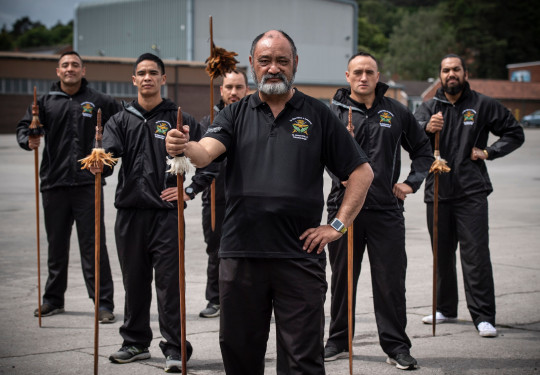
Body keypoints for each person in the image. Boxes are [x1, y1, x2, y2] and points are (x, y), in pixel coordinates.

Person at [166, 30, 374, 375]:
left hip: (299, 257)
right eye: (265, 61)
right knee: (240, 355)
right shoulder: (234, 115)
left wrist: (337, 226)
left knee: (302, 359)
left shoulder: (318, 115)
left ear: (295, 63)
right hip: (240, 255)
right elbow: (204, 154)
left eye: (282, 60)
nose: (273, 68)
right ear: (252, 65)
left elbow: (362, 173)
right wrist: (183, 146)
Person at [323, 52, 433, 370]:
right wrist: (340, 175)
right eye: (357, 72)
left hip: (386, 210)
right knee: (343, 279)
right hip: (344, 210)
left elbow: (423, 150)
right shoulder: (333, 113)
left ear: (377, 75)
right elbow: (319, 153)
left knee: (390, 282)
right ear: (347, 76)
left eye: (369, 72)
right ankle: (339, 341)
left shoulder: (396, 112)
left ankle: (396, 346)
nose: (363, 77)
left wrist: (411, 183)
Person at [99, 53, 201, 372]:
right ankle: (135, 342)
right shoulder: (119, 119)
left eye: (152, 72)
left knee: (169, 283)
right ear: (133, 79)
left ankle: (174, 347)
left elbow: (213, 155)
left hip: (166, 214)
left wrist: (189, 189)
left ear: (162, 79)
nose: (146, 77)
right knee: (135, 281)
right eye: (141, 73)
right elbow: (108, 160)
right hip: (129, 214)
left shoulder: (178, 118)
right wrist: (98, 164)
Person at [414, 54, 525, 338]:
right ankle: (445, 309)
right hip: (437, 192)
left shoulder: (483, 104)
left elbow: (514, 132)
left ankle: (484, 316)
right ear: (440, 75)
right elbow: (411, 142)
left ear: (465, 73)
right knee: (441, 255)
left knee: (475, 255)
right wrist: (426, 129)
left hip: (471, 192)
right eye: (445, 70)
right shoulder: (428, 107)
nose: (451, 74)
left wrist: (489, 152)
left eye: (456, 69)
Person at [16, 51, 119, 323]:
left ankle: (103, 303)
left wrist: (110, 151)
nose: (70, 68)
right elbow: (25, 127)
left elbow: (121, 124)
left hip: (88, 183)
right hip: (54, 183)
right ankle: (53, 299)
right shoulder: (45, 102)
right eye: (65, 65)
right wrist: (28, 139)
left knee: (94, 245)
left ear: (84, 70)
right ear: (58, 71)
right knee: (56, 245)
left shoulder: (99, 101)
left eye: (75, 64)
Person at [184, 70, 249, 318]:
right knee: (216, 251)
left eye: (239, 87)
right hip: (216, 198)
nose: (234, 92)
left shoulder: (254, 118)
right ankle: (215, 299)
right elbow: (204, 164)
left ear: (246, 90)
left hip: (247, 198)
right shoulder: (208, 121)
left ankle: (245, 298)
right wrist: (191, 190)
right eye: (229, 87)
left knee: (247, 251)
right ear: (221, 90)